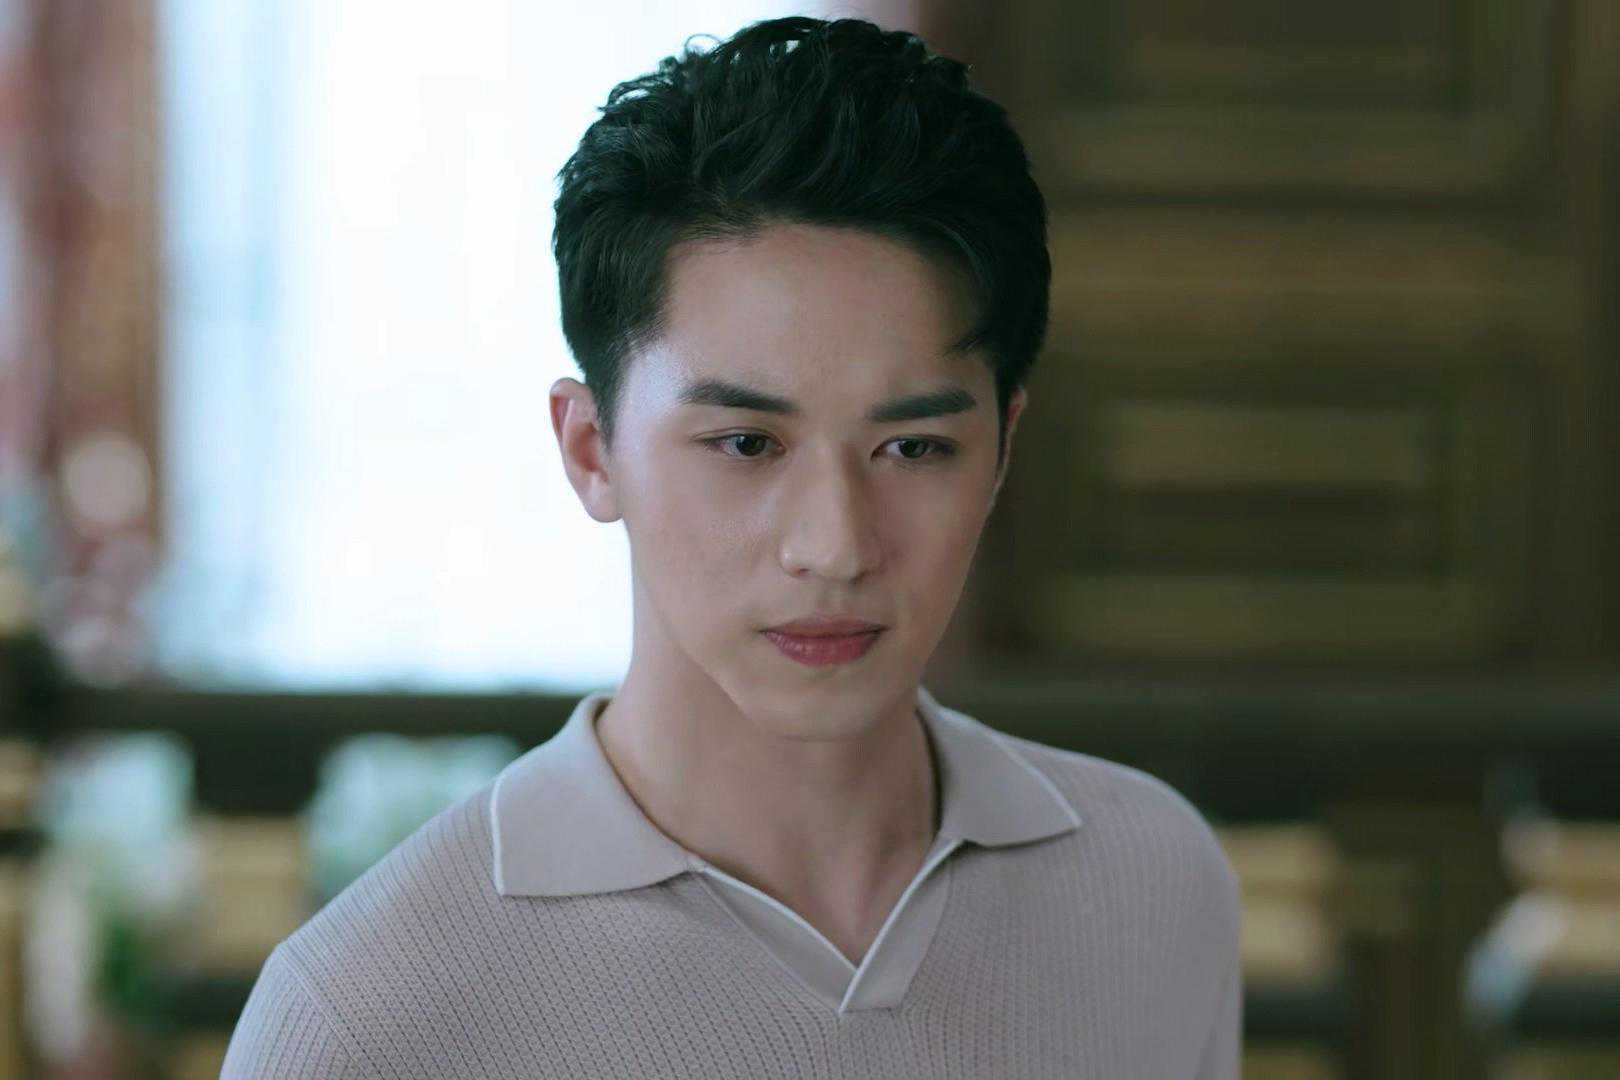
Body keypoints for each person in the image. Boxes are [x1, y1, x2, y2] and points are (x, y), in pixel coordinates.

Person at [222, 15, 1241, 1078]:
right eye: (747, 443)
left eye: (913, 447)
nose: (835, 547)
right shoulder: (370, 1019)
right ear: (591, 450)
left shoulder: (1151, 887)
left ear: (1003, 451)